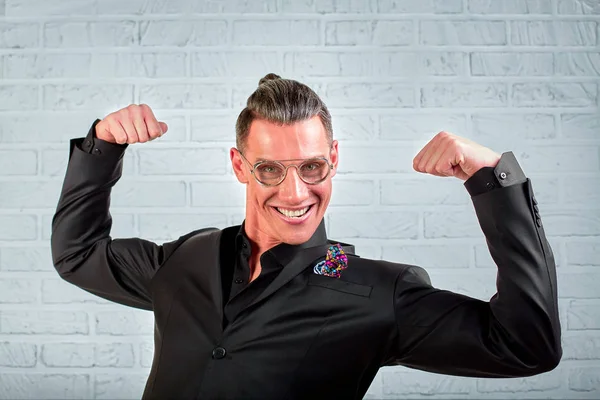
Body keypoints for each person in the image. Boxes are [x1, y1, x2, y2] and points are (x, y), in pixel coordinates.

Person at [51, 73, 561, 399]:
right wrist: (102, 146)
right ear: (239, 166)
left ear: (334, 160)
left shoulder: (379, 294)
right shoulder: (185, 258)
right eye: (270, 170)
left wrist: (494, 179)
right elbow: (77, 254)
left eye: (313, 167)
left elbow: (527, 346)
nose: (296, 193)